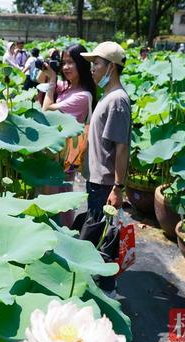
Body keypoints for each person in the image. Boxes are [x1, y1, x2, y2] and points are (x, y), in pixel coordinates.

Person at [37, 43, 97, 227]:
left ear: (81, 63)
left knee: (59, 199)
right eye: (63, 63)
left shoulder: (83, 95)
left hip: (66, 155)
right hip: (55, 152)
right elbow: (40, 81)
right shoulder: (67, 87)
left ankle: (63, 234)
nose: (66, 67)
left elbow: (46, 110)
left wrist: (53, 78)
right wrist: (49, 65)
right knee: (52, 195)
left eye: (71, 62)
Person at [79, 41, 132, 223]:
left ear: (111, 67)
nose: (92, 69)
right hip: (97, 180)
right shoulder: (108, 95)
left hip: (105, 184)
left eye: (97, 64)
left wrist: (118, 187)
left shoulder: (117, 100)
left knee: (99, 240)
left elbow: (121, 148)